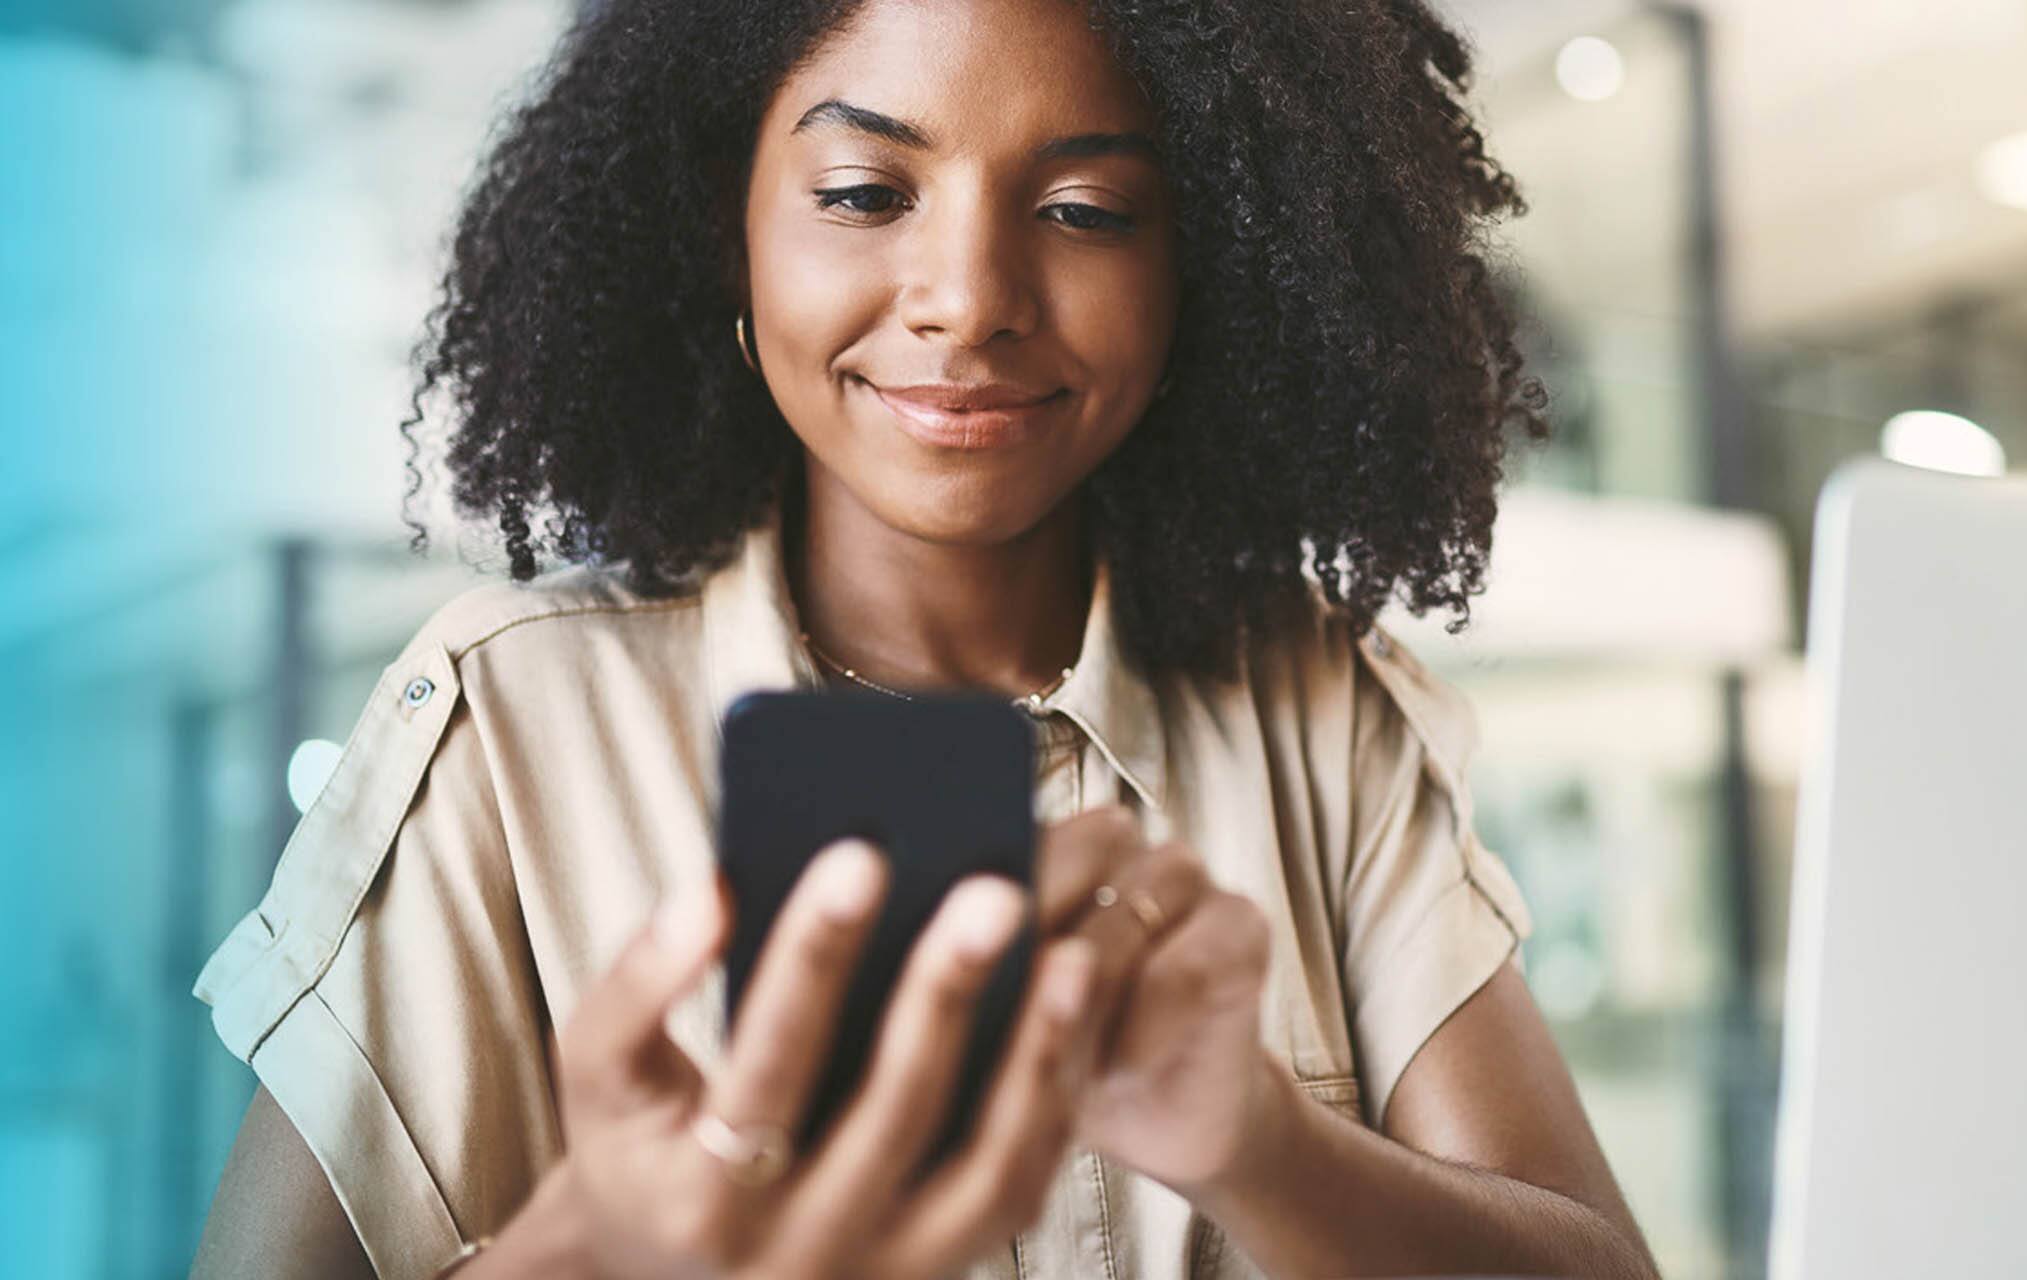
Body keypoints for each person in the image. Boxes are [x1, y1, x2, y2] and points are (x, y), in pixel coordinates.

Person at [188, 0, 1657, 1277]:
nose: (969, 300)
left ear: (1205, 261)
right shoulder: (508, 726)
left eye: (1084, 211)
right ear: (728, 225)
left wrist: (1265, 1145)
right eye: (863, 191)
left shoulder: (1314, 713)